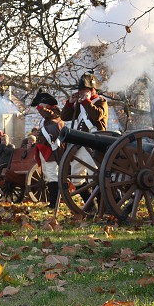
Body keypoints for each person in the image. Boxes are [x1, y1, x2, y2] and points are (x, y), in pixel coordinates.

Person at [60, 71, 109, 212]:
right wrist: (70, 103)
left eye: (84, 90)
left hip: (95, 144)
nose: (81, 92)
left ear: (92, 90)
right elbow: (65, 116)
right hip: (80, 145)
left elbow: (97, 116)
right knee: (76, 178)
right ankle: (90, 205)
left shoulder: (101, 102)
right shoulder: (80, 104)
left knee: (96, 177)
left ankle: (102, 208)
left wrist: (87, 101)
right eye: (80, 90)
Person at [31, 90, 65, 210]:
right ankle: (53, 201)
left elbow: (47, 113)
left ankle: (54, 203)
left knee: (52, 176)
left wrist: (41, 106)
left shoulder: (55, 114)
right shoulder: (46, 118)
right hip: (44, 150)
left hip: (51, 151)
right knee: (47, 175)